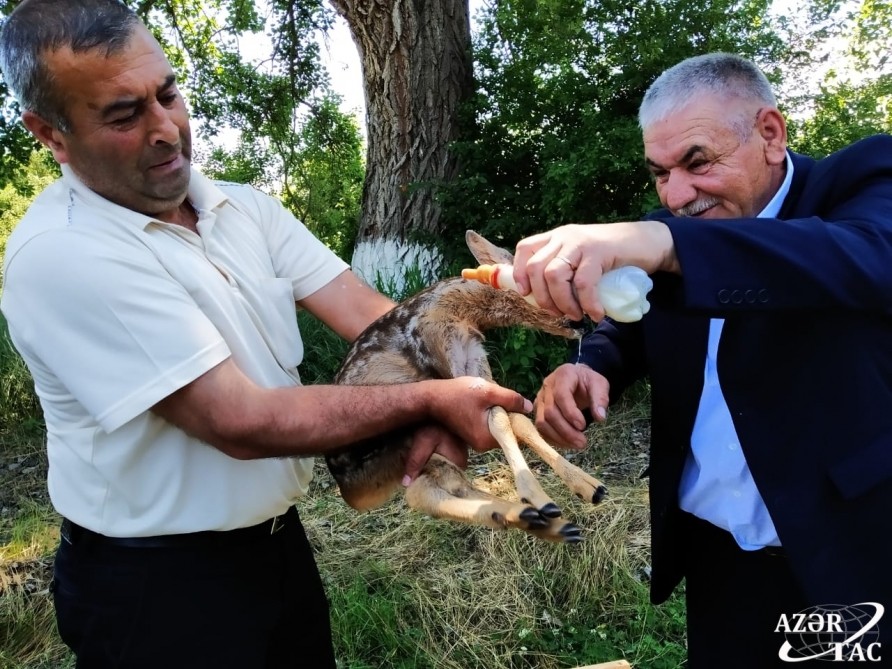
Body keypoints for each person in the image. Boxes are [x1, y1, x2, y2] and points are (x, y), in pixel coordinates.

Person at [0, 1, 531, 667]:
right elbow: (242, 419)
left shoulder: (242, 208)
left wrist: (462, 354)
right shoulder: (63, 254)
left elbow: (380, 321)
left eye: (167, 92)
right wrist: (429, 402)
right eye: (124, 114)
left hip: (275, 549)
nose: (166, 128)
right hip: (155, 588)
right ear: (50, 133)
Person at [512, 52, 892, 667]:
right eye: (660, 174)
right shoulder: (674, 235)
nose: (678, 195)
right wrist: (592, 366)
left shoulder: (862, 182)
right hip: (718, 561)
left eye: (697, 162)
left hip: (845, 554)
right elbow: (630, 324)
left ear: (770, 134)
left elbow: (867, 257)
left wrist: (663, 241)